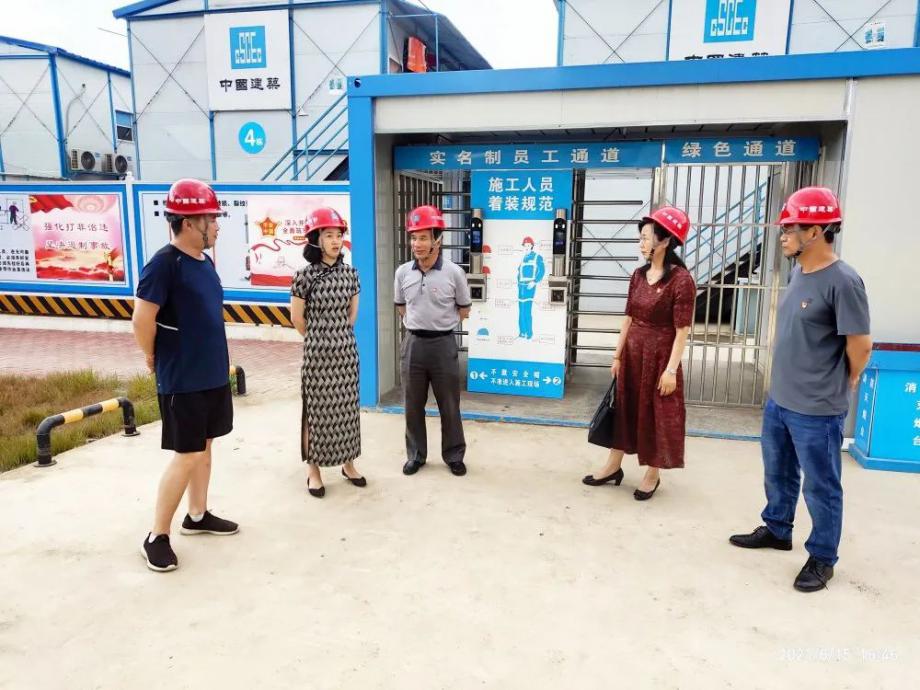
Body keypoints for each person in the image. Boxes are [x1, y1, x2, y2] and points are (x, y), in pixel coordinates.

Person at [730, 186, 871, 593]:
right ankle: (778, 528)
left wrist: (848, 378)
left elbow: (860, 345)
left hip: (817, 407)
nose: (783, 235)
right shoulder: (798, 273)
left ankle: (823, 556)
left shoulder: (844, 282)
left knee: (821, 485)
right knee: (778, 471)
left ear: (816, 231)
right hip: (781, 399)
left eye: (790, 228)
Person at [133, 179, 238, 572]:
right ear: (190, 222)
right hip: (183, 377)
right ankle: (156, 535)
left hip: (211, 373)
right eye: (212, 218)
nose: (217, 225)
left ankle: (197, 515)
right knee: (188, 452)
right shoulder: (164, 264)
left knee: (205, 446)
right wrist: (151, 355)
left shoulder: (203, 262)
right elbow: (142, 318)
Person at [583, 206, 695, 500]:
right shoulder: (638, 275)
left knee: (657, 414)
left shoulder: (681, 280)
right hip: (633, 356)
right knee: (624, 408)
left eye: (645, 237)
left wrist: (671, 370)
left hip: (660, 359)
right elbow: (628, 318)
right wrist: (617, 356)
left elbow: (682, 330)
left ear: (665, 240)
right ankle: (613, 466)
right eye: (641, 237)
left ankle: (652, 474)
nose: (641, 243)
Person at [290, 207, 363, 498]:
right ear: (315, 239)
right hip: (317, 358)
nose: (335, 241)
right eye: (329, 235)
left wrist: (337, 336)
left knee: (347, 412)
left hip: (346, 355)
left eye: (338, 235)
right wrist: (319, 339)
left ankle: (348, 464)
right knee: (316, 413)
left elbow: (352, 315)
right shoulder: (304, 276)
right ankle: (314, 470)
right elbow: (297, 319)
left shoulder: (351, 274)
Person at [394, 204, 472, 477]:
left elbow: (464, 309)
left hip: (443, 345)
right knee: (412, 405)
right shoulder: (403, 272)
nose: (417, 244)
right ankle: (416, 455)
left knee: (449, 405)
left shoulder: (454, 273)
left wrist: (438, 323)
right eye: (414, 237)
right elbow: (401, 307)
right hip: (413, 344)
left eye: (423, 238)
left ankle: (454, 455)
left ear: (437, 240)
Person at [517, 236, 545, 340]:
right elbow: (519, 272)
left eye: (528, 245)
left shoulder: (537, 257)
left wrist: (535, 282)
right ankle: (522, 332)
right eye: (525, 245)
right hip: (521, 287)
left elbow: (542, 270)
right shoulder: (523, 258)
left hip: (529, 287)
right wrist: (518, 284)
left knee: (527, 310)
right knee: (521, 311)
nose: (527, 247)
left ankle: (529, 333)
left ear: (532, 246)